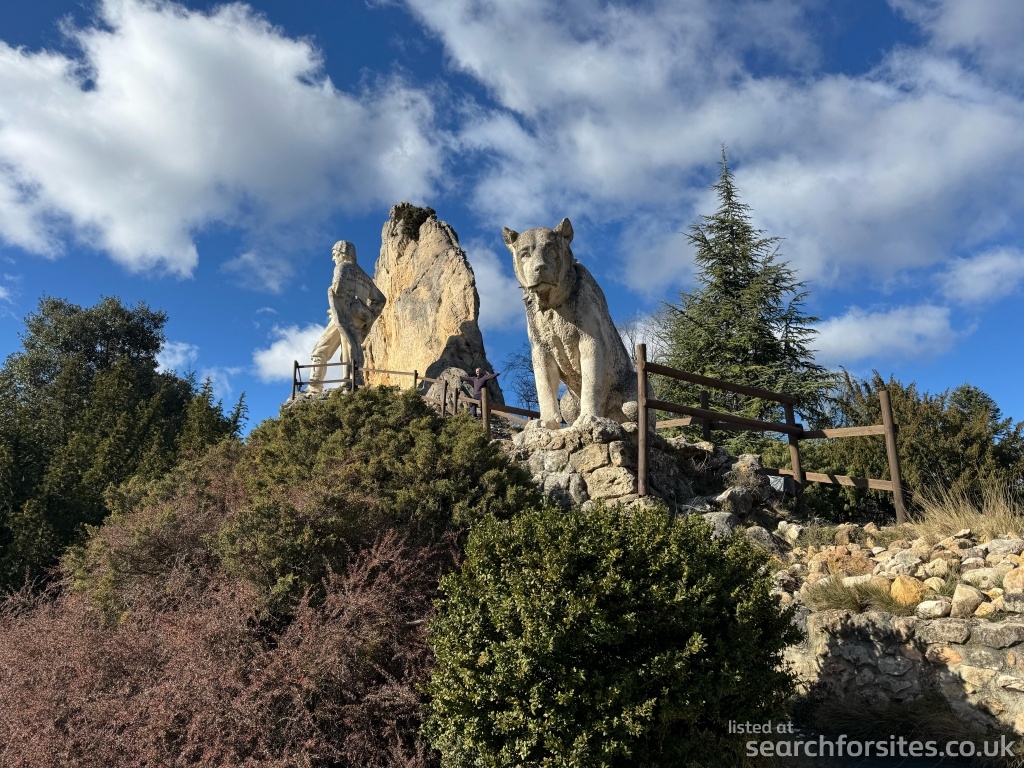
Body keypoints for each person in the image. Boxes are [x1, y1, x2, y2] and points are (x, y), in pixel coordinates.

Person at [306, 241, 386, 394]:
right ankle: (351, 382)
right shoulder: (365, 277)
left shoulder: (343, 267)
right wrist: (370, 315)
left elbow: (338, 290)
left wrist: (336, 308)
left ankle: (315, 386)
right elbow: (381, 299)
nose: (333, 258)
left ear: (342, 253)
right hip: (360, 317)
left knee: (320, 350)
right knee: (350, 350)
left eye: (334, 254)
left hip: (343, 314)